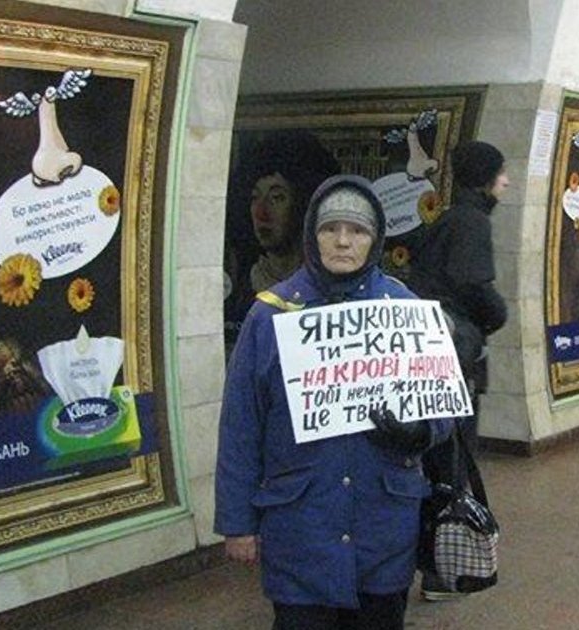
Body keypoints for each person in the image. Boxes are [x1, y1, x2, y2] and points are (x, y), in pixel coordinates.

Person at [215, 174, 453, 630]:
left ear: (375, 239)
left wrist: (420, 431)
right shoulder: (270, 314)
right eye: (330, 228)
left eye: (358, 230)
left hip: (383, 526)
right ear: (312, 233)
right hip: (301, 526)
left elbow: (442, 406)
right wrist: (237, 522)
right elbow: (241, 424)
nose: (343, 241)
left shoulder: (404, 308)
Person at [405, 140, 508, 600]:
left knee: (438, 459)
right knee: (453, 461)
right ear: (486, 178)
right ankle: (443, 570)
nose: (506, 182)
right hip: (456, 355)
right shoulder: (471, 222)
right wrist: (498, 313)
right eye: (501, 174)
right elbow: (472, 284)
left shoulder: (448, 218)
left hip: (436, 350)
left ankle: (429, 561)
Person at [224, 131, 340, 350]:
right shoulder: (238, 291)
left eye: (277, 198)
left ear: (304, 205)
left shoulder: (331, 288)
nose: (261, 213)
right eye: (254, 198)